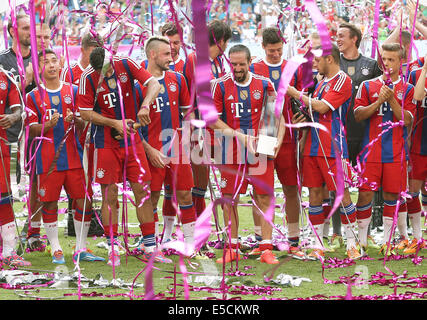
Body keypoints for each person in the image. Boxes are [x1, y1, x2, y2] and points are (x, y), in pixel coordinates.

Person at [77, 47, 162, 266]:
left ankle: (149, 246)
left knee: (141, 189)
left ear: (111, 61)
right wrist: (114, 123)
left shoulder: (125, 63)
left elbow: (154, 84)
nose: (104, 75)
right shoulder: (88, 76)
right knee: (110, 193)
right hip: (105, 141)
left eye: (106, 70)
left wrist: (144, 106)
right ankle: (113, 246)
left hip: (132, 137)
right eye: (100, 72)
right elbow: (85, 112)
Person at [27, 49, 104, 264]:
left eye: (54, 61)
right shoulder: (32, 96)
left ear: (60, 64)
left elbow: (84, 122)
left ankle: (80, 248)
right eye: (45, 62)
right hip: (48, 159)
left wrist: (76, 120)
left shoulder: (74, 90)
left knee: (83, 200)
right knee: (49, 202)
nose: (51, 65)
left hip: (75, 157)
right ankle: (56, 248)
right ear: (39, 68)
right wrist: (47, 125)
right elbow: (31, 128)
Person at [287, 44, 361, 261]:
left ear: (330, 59)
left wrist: (294, 93)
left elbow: (322, 108)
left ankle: (352, 243)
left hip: (332, 147)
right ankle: (318, 244)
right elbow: (313, 112)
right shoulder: (320, 84)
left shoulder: (342, 80)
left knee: (341, 195)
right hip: (312, 146)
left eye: (318, 60)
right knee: (315, 195)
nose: (314, 64)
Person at [210, 44, 282, 265]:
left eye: (242, 64)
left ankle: (266, 248)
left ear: (250, 62)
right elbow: (212, 120)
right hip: (229, 150)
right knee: (230, 200)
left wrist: (276, 142)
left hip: (259, 149)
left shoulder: (265, 84)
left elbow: (275, 118)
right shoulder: (219, 86)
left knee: (263, 196)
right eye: (233, 64)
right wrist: (238, 136)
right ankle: (232, 247)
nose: (237, 68)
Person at [354, 43, 416, 256]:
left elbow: (407, 120)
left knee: (392, 196)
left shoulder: (407, 89)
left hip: (395, 153)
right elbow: (358, 115)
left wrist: (391, 100)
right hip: (370, 152)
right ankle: (361, 242)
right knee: (364, 195)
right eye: (384, 59)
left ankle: (388, 241)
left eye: (391, 60)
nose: (386, 64)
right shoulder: (367, 86)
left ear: (401, 62)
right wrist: (378, 101)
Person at [249, 27, 305, 259]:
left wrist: (301, 115)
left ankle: (294, 241)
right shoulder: (254, 68)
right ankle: (260, 240)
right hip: (264, 135)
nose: (275, 54)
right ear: (263, 47)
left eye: (279, 50)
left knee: (291, 187)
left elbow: (303, 97)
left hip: (289, 135)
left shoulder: (293, 68)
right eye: (271, 51)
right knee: (260, 189)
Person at [138, 36, 196, 251]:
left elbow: (187, 114)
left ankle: (190, 243)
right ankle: (151, 245)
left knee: (184, 193)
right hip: (150, 148)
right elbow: (132, 126)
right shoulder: (138, 84)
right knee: (152, 197)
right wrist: (148, 149)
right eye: (166, 54)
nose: (171, 58)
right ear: (152, 54)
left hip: (176, 148)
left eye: (171, 54)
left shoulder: (177, 79)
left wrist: (187, 140)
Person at [335, 22, 382, 250]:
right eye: (336, 35)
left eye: (342, 35)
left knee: (366, 188)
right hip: (340, 136)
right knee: (338, 187)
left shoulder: (371, 65)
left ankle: (364, 232)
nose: (338, 39)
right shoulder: (334, 63)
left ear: (355, 39)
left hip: (364, 136)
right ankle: (339, 233)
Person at [0, 67, 31, 267]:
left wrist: (13, 117)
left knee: (4, 197)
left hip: (2, 144)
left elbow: (18, 109)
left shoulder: (5, 76)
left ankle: (9, 252)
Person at [403, 56, 427, 254]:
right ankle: (418, 238)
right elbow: (418, 96)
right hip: (419, 142)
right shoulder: (415, 74)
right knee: (412, 191)